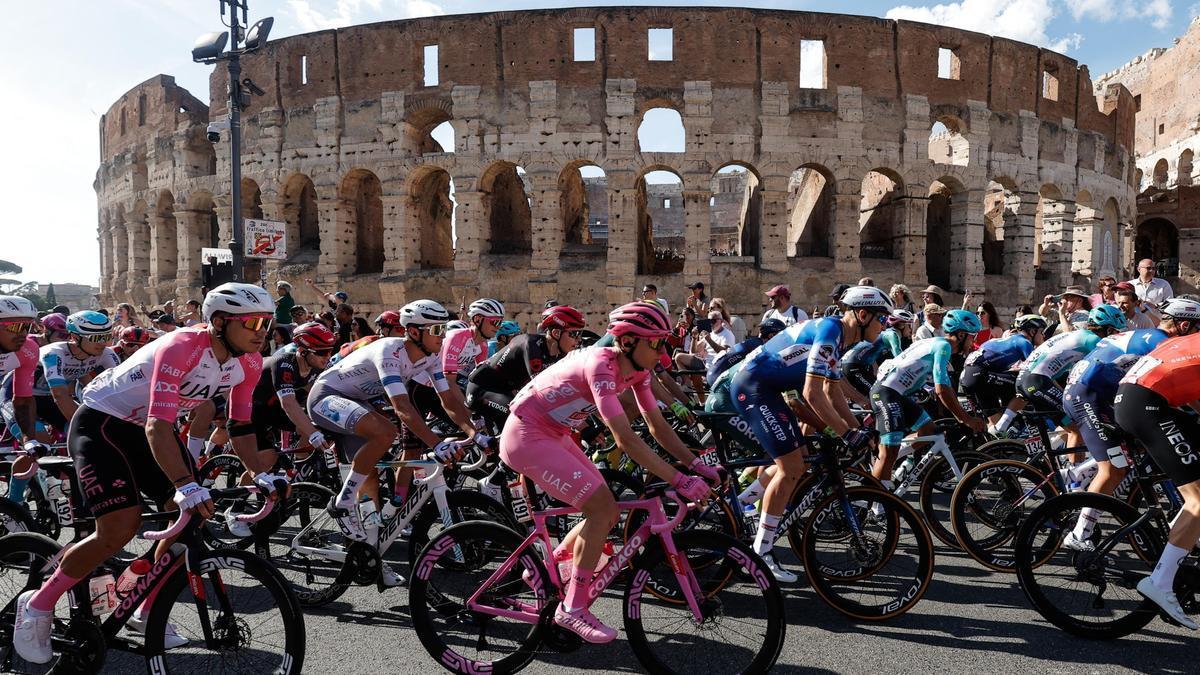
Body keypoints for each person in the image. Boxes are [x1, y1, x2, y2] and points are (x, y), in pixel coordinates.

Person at [12, 284, 286, 664]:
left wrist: (261, 474)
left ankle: (144, 608)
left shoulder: (250, 362)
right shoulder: (182, 347)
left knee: (191, 520)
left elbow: (240, 427)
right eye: (253, 322)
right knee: (121, 527)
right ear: (219, 322)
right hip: (102, 423)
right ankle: (38, 604)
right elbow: (160, 425)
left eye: (268, 323)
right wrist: (185, 484)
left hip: (144, 429)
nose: (262, 331)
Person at [500, 302, 713, 643]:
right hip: (525, 434)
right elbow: (625, 438)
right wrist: (679, 479)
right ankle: (573, 609)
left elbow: (656, 425)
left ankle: (546, 570)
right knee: (600, 508)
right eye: (656, 343)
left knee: (608, 510)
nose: (662, 351)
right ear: (628, 342)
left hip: (552, 433)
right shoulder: (601, 365)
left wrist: (695, 464)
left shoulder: (638, 370)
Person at [731, 286, 891, 582]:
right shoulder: (832, 330)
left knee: (796, 462)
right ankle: (760, 554)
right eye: (882, 319)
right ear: (864, 314)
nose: (885, 326)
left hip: (767, 389)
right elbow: (812, 394)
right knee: (792, 467)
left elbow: (832, 390)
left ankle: (738, 506)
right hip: (754, 388)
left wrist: (854, 430)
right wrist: (847, 434)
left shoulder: (840, 337)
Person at [307, 299, 486, 544]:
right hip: (326, 396)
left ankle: (369, 549)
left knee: (368, 477)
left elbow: (448, 401)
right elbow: (402, 406)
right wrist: (437, 444)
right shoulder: (389, 351)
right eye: (436, 330)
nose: (443, 336)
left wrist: (476, 433)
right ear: (413, 332)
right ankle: (342, 504)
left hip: (358, 402)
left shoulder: (431, 358)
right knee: (386, 432)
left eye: (444, 329)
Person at [1061, 297, 1200, 553]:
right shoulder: (1163, 341)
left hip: (1093, 393)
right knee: (1114, 468)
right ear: (1183, 326)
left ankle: (1078, 473)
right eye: (1197, 328)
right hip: (1089, 396)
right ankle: (1080, 533)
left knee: (1134, 444)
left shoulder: (1147, 334)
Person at [1115, 329, 1200, 630]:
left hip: (1142, 399)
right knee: (1199, 500)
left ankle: (1188, 535)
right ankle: (1161, 582)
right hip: (1145, 404)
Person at [872, 309, 987, 484]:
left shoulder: (936, 342)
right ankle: (877, 505)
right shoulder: (944, 346)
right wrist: (966, 419)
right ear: (962, 334)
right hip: (887, 392)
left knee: (929, 430)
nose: (973, 343)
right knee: (888, 452)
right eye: (973, 337)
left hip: (897, 393)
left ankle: (895, 454)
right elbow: (942, 388)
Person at [993, 305, 1127, 437]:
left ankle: (1058, 457)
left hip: (1028, 380)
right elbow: (1109, 369)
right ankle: (1072, 458)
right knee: (1082, 426)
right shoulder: (1093, 340)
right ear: (1108, 330)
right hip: (1037, 381)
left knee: (1071, 427)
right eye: (1117, 332)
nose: (1118, 336)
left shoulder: (1079, 334)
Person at [466, 305, 586, 432]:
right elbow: (542, 393)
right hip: (482, 389)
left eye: (580, 334)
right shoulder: (531, 346)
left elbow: (571, 388)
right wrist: (582, 426)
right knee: (523, 414)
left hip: (507, 391)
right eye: (574, 334)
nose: (579, 340)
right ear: (556, 333)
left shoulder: (560, 354)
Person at [35, 311, 120, 432]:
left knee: (75, 432)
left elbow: (120, 387)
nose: (103, 343)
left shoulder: (106, 353)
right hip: (24, 399)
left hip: (49, 400)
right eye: (96, 338)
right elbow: (60, 394)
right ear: (75, 337)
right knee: (42, 440)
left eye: (106, 337)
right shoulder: (54, 353)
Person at [960, 314, 1045, 426]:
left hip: (969, 376)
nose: (1043, 335)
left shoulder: (1006, 340)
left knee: (994, 422)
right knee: (1027, 386)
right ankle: (1009, 422)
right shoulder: (1024, 342)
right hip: (980, 374)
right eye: (1041, 332)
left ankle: (998, 440)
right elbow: (1036, 370)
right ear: (1032, 331)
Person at [0, 296, 46, 497]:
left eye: (27, 327)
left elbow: (23, 399)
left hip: (4, 391)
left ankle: (14, 505)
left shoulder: (28, 349)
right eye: (15, 326)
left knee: (36, 441)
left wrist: (29, 440)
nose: (23, 334)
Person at [706, 318, 785, 387]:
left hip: (715, 373)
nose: (782, 340)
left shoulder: (754, 342)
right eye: (781, 336)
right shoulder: (759, 347)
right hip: (719, 378)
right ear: (771, 335)